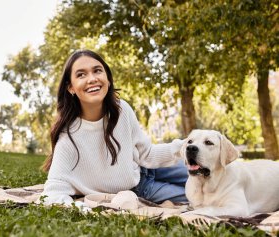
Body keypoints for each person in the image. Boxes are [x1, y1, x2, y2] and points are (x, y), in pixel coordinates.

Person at [39, 49, 188, 206]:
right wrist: (82, 209)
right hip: (139, 189)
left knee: (210, 169)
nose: (92, 79)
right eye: (81, 75)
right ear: (71, 88)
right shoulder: (68, 138)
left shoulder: (121, 109)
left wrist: (184, 147)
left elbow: (147, 154)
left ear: (108, 79)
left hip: (148, 168)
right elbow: (51, 194)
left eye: (97, 71)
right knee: (205, 197)